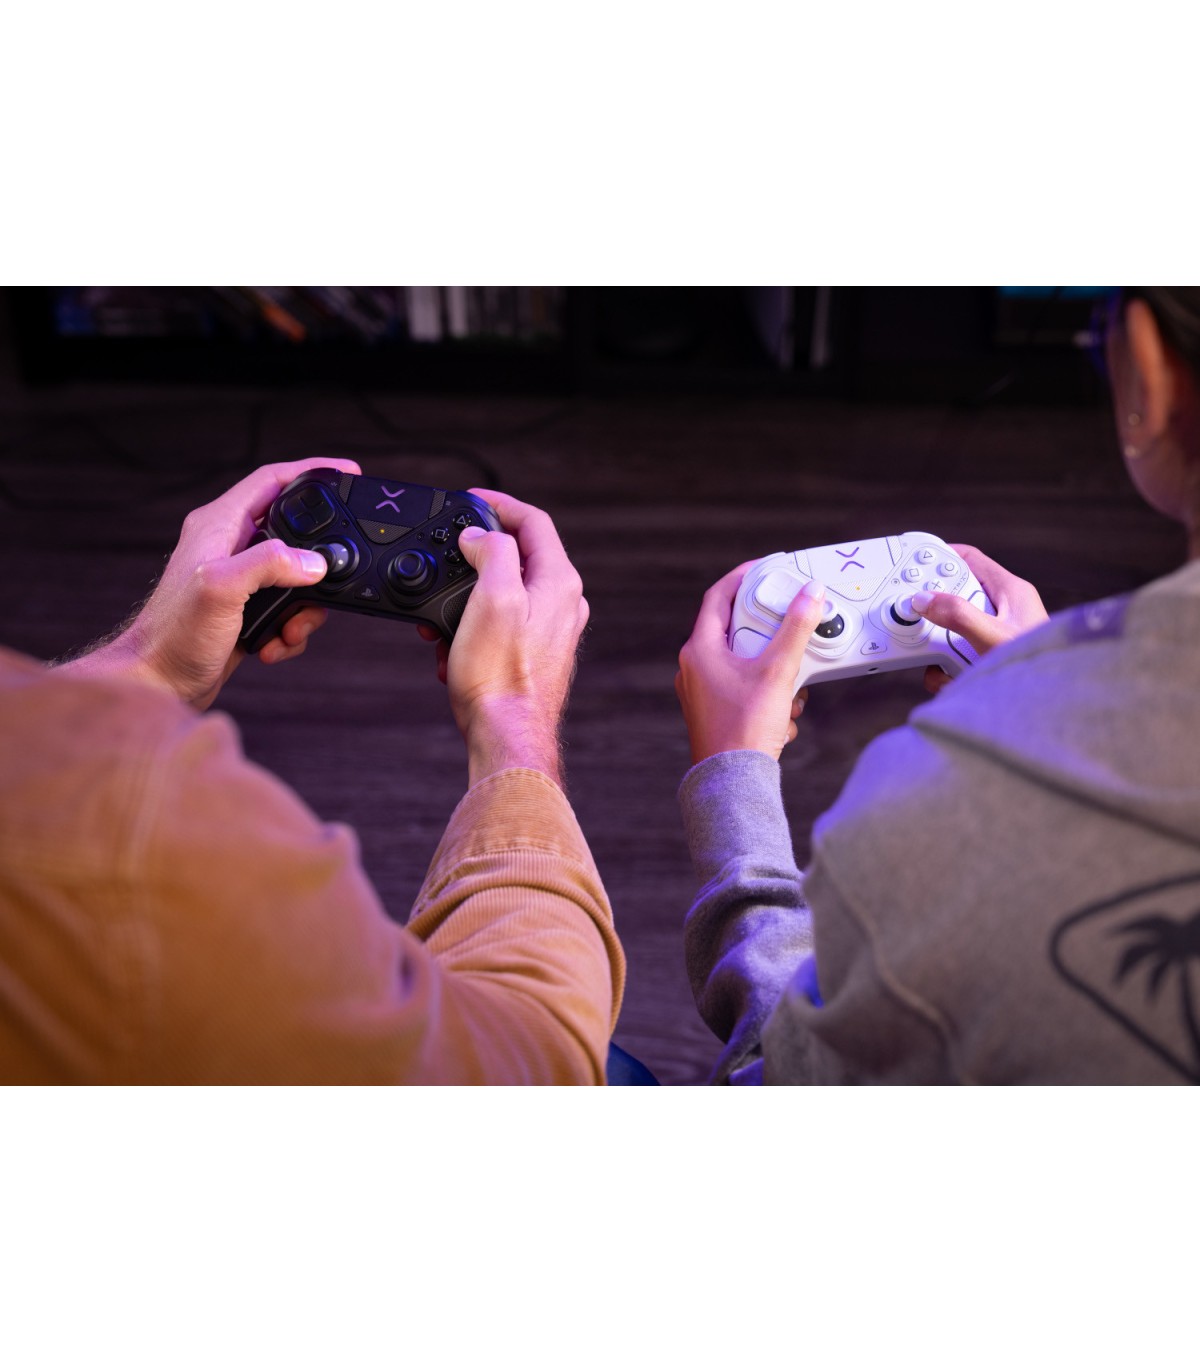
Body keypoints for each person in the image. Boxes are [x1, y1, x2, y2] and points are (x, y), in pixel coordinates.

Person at [675, 287, 1200, 1085]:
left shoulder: (927, 818)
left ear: (1147, 370)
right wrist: (1049, 694)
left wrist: (731, 782)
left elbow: (776, 1080)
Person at [0, 457, 624, 1084]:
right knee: (620, 1076)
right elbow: (532, 1071)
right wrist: (513, 715)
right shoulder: (154, 840)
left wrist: (151, 666)